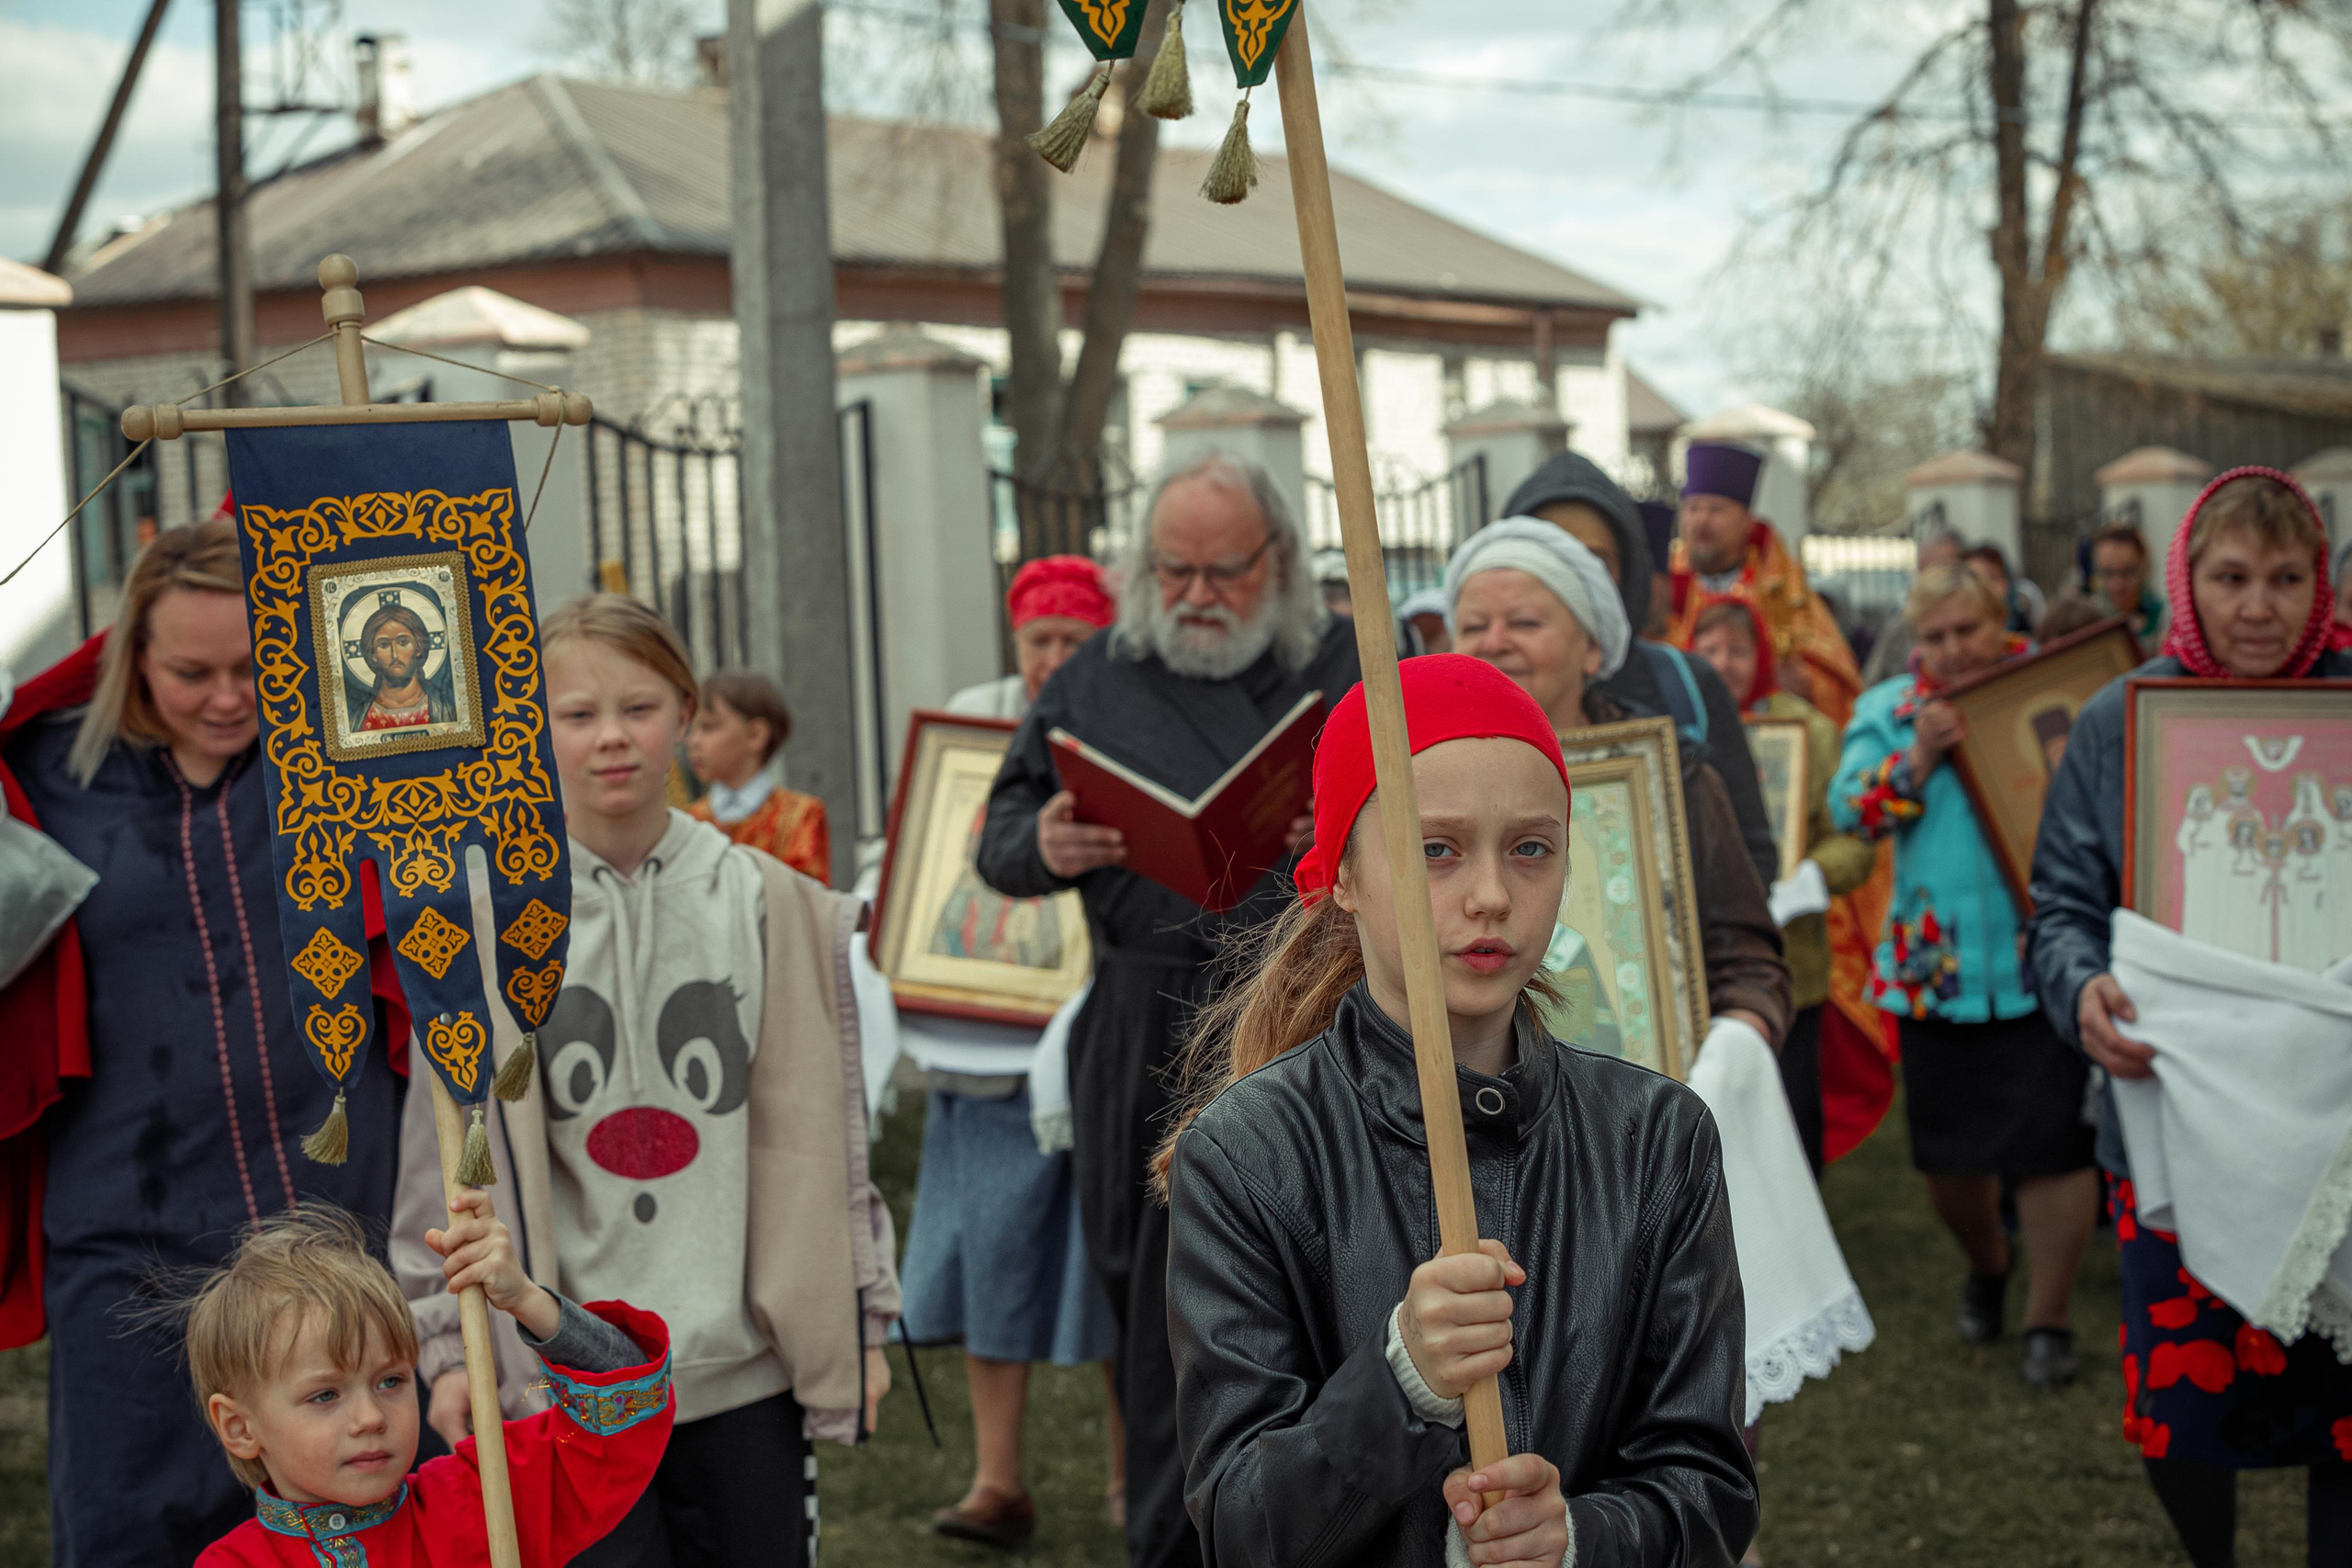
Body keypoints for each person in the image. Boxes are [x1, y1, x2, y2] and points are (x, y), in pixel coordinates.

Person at [1160, 653, 1758, 1567]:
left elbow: (1710, 1491)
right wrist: (1399, 1384)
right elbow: (1243, 1531)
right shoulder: (1248, 1155)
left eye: (1530, 848)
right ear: (1344, 878)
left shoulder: (1654, 1140)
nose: (1490, 896)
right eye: (1434, 848)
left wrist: (1578, 1539)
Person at [390, 594, 898, 1568]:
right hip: (570, 1381)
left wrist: (861, 1316)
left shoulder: (768, 905)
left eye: (641, 707)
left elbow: (829, 1141)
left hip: (742, 1372)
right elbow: (441, 1163)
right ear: (528, 732)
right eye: (575, 715)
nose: (611, 739)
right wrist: (449, 1352)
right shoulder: (481, 931)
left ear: (686, 711)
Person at [0, 519, 410, 1567]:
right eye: (191, 671)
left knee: (353, 1531)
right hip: (124, 1236)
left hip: (330, 1225)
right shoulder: (44, 777)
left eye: (251, 668)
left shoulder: (341, 758)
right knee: (129, 1535)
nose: (227, 698)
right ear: (132, 651)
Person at [976, 452, 1360, 1568]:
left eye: (1222, 572)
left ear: (1277, 561)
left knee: (1316, 1288)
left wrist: (1341, 832)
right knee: (1154, 1316)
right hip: (1141, 1023)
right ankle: (1166, 1540)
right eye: (1172, 569)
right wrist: (1039, 844)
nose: (1194, 594)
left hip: (1308, 1013)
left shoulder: (1341, 660)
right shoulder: (1095, 674)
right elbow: (1001, 829)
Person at [2029, 468, 2352, 1567]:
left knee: (2347, 1408)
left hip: (2337, 1123)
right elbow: (2061, 903)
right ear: (2188, 583)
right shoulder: (2124, 721)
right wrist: (2079, 989)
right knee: (2186, 1400)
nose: (2256, 605)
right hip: (2178, 1108)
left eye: (2282, 577)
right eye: (2229, 577)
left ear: (2319, 584)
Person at [1831, 564, 2097, 1388]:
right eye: (1934, 636)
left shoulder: (2049, 690)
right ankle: (1989, 1261)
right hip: (1935, 973)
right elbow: (1852, 810)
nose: (1950, 650)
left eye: (1966, 631)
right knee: (1950, 1164)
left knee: (2056, 1146)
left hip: (2041, 956)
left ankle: (2048, 1318)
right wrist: (1919, 757)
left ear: (2002, 623)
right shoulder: (1889, 712)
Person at [909, 554, 1123, 1550]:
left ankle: (1136, 1475)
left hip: (1109, 1029)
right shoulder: (974, 719)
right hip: (986, 1034)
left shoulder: (1130, 713)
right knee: (989, 1252)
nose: (1049, 660)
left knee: (1125, 1261)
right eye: (1037, 639)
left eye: (1070, 642)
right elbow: (941, 862)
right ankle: (998, 1479)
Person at [1446, 521, 1790, 1055]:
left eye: (1525, 622)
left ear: (1591, 649)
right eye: (1473, 626)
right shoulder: (1412, 788)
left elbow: (1746, 960)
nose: (1494, 643)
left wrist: (1738, 1041)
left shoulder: (1674, 781)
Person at [191, 1202, 673, 1566]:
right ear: (239, 1427)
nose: (371, 1418)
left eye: (390, 1381)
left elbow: (623, 1422)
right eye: (325, 1395)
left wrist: (529, 1302)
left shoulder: (484, 1496)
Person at [1497, 452, 1781, 890]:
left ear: (1626, 573)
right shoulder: (1470, 703)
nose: (1570, 577)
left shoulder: (1688, 687)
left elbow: (1750, 861)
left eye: (1594, 559)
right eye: (1546, 557)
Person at [1690, 599, 1876, 1176]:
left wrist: (1811, 877)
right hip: (1700, 960)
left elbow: (1854, 839)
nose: (1724, 664)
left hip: (1791, 966)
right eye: (1710, 650)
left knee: (1792, 1123)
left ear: (1763, 656)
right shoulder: (1676, 727)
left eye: (1739, 650)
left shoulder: (1811, 732)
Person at [1667, 441, 1862, 726]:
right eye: (1693, 508)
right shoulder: (1662, 587)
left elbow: (1836, 678)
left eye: (1716, 510)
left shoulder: (1783, 586)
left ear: (1747, 521)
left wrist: (1807, 687)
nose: (1701, 520)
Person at [684, 669, 830, 883]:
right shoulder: (689, 821)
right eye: (691, 729)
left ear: (755, 735)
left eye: (708, 727)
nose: (693, 741)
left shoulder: (801, 815)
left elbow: (807, 903)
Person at [1861, 530, 1965, 687]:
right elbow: (1870, 683)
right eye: (1934, 637)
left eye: (1945, 571)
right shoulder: (1901, 625)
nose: (1954, 650)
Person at [347, 601, 459, 732]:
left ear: (418, 648)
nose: (395, 654)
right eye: (384, 645)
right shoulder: (357, 718)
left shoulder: (445, 710)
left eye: (403, 642)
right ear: (373, 655)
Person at [2089, 522, 2169, 647]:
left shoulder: (2164, 618)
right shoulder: (2088, 622)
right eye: (2108, 573)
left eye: (2128, 572)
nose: (2118, 585)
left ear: (2144, 569)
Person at [1964, 542, 2045, 636]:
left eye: (1991, 578)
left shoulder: (2026, 643)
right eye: (1974, 580)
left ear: (2005, 584)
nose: (1983, 588)